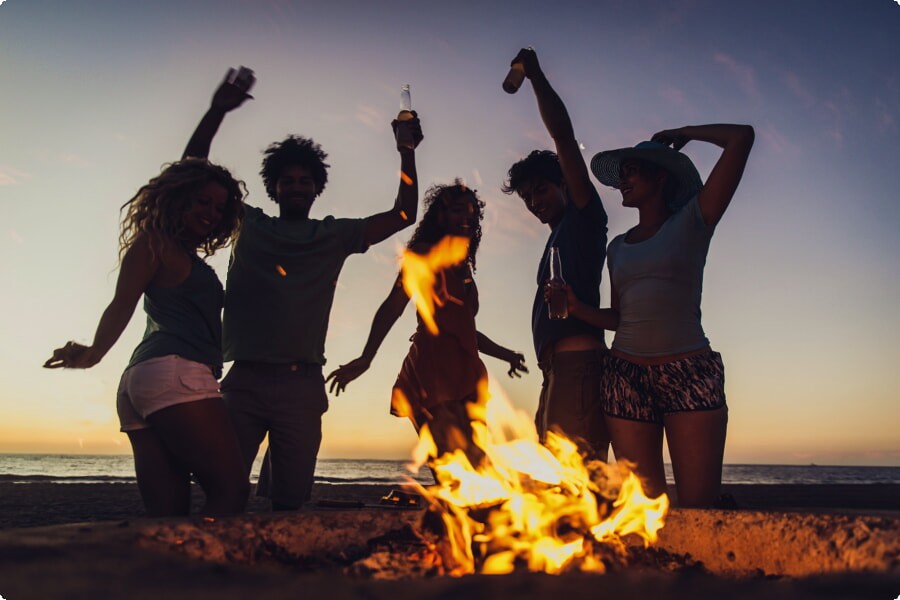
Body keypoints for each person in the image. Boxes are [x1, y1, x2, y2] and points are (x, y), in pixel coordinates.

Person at [182, 73, 423, 510]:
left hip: (302, 384)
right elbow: (191, 175)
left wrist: (407, 153)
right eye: (287, 181)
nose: (295, 187)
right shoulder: (248, 224)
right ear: (273, 187)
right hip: (244, 381)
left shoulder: (333, 235)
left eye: (304, 181)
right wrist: (217, 110)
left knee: (290, 503)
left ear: (317, 188)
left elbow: (405, 213)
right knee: (224, 494)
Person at [44, 159, 249, 516]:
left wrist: (94, 354)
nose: (211, 213)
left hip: (141, 384)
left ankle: (171, 569)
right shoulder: (158, 243)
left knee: (167, 512)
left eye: (219, 207)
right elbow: (122, 303)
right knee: (230, 491)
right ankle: (204, 569)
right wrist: (94, 353)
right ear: (179, 197)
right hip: (176, 375)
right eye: (203, 201)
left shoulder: (177, 252)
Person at [584, 124, 754, 507]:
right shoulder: (618, 248)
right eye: (622, 172)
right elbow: (620, 317)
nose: (623, 180)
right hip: (626, 376)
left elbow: (742, 137)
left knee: (699, 507)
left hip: (689, 372)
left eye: (632, 171)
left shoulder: (695, 219)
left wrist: (686, 132)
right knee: (644, 511)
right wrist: (576, 309)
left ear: (660, 176)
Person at [325, 182, 527, 465]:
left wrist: (507, 355)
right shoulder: (424, 254)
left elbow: (464, 329)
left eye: (472, 212)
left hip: (467, 377)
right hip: (433, 375)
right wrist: (366, 357)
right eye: (458, 210)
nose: (467, 217)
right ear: (440, 216)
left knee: (479, 471)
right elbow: (393, 306)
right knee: (454, 470)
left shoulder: (463, 265)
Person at [501, 48, 610, 460]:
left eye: (541, 189)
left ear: (564, 184)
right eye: (527, 196)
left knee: (576, 481)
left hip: (578, 366)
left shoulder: (583, 219)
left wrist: (536, 77)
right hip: (556, 372)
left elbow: (563, 137)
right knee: (555, 484)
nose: (533, 201)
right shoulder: (555, 237)